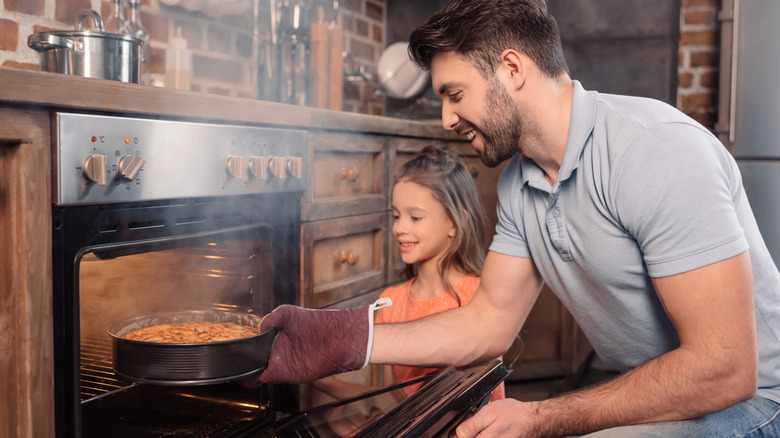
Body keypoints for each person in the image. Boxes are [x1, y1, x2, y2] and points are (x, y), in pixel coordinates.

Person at [249, 0, 780, 437]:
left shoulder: (653, 150)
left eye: (455, 95)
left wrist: (540, 418)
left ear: (511, 69)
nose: (447, 119)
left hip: (757, 402)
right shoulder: (519, 184)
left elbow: (725, 369)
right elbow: (486, 323)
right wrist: (339, 338)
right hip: (681, 395)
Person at [317, 145, 505, 402]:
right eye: (396, 216)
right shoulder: (390, 302)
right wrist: (320, 380)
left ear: (454, 222)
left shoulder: (480, 296)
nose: (399, 228)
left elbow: (487, 403)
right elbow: (391, 403)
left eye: (415, 218)